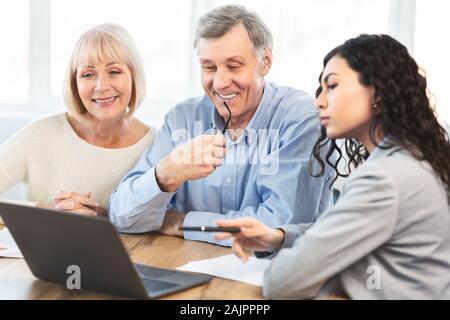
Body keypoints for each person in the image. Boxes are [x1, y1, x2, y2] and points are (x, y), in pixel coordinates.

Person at [216, 34, 450, 299]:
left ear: (377, 92)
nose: (319, 101)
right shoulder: (410, 159)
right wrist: (279, 237)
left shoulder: (384, 179)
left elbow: (282, 282)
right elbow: (338, 227)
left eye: (333, 86)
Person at [108, 5, 332, 244]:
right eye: (209, 67)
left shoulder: (300, 118)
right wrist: (166, 173)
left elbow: (276, 227)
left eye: (234, 66)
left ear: (265, 61)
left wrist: (182, 223)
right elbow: (121, 216)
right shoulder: (181, 118)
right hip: (187, 266)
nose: (220, 82)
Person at [0, 23, 155, 216]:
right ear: (75, 83)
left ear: (134, 76)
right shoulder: (41, 132)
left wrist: (105, 216)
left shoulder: (155, 144)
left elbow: (160, 219)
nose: (101, 86)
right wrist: (46, 211)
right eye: (88, 74)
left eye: (114, 72)